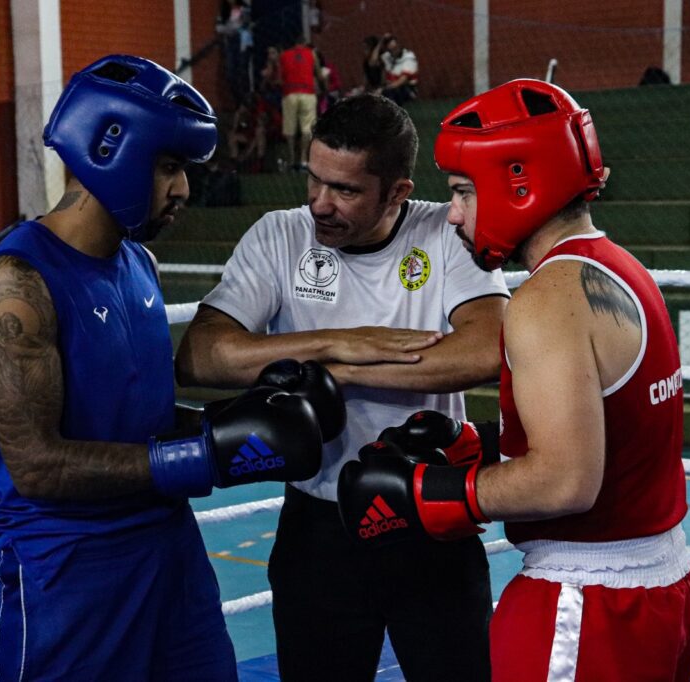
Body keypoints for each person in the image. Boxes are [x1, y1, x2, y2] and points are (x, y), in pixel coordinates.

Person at [0, 54, 332, 681]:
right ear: (110, 147)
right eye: (169, 167)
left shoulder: (140, 264)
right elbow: (36, 464)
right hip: (69, 572)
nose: (183, 189)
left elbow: (138, 412)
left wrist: (244, 421)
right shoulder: (14, 282)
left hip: (169, 555)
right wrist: (208, 455)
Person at [337, 79, 690, 681]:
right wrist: (483, 443)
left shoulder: (544, 298)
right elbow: (610, 422)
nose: (453, 213)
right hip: (664, 579)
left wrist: (434, 492)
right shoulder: (621, 268)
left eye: (462, 191)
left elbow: (565, 483)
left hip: (587, 596)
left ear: (518, 181)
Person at [177, 93, 509, 681]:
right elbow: (203, 355)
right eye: (314, 179)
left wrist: (336, 371)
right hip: (318, 528)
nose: (320, 204)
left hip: (429, 518)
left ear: (397, 192)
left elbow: (488, 348)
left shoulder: (442, 231)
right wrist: (338, 343)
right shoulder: (279, 236)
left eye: (346, 191)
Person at [279, 36, 321, 171]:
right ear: (304, 43)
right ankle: (303, 160)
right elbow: (318, 73)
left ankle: (292, 161)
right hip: (307, 92)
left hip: (290, 93)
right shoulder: (311, 54)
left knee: (290, 128)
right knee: (307, 128)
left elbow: (280, 78)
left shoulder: (284, 55)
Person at [381, 34, 419, 105]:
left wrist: (384, 89)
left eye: (395, 47)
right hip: (390, 86)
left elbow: (402, 80)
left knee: (392, 91)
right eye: (391, 49)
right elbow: (372, 62)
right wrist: (380, 42)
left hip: (407, 89)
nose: (394, 50)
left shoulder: (408, 57)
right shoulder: (387, 56)